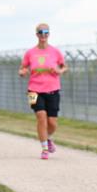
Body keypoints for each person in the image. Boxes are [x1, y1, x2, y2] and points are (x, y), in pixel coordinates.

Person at [19, 23, 68, 159]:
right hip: (33, 90)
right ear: (36, 34)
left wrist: (59, 70)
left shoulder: (55, 52)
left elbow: (65, 67)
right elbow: (22, 68)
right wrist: (23, 72)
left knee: (52, 122)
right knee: (41, 116)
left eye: (46, 32)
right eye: (40, 32)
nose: (43, 35)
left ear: (49, 34)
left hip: (53, 89)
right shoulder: (30, 53)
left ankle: (48, 138)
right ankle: (44, 148)